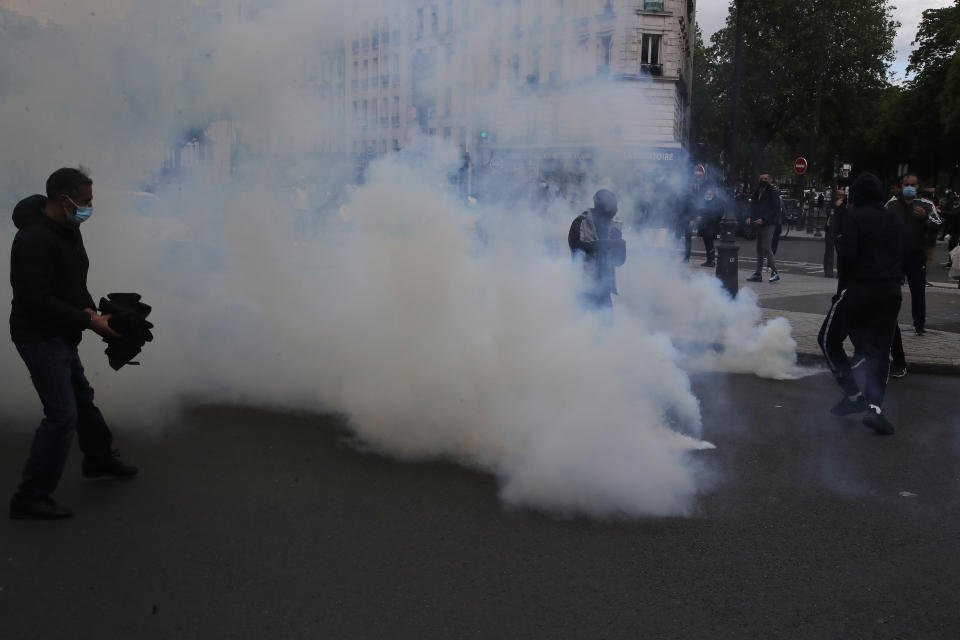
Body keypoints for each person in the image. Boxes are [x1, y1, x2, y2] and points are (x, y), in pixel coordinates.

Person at [9, 167, 138, 520]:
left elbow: (73, 279)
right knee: (62, 414)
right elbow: (36, 299)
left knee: (81, 398)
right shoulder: (34, 239)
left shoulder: (69, 228)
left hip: (62, 332)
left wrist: (94, 312)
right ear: (64, 200)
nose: (89, 208)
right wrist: (89, 321)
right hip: (39, 336)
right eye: (85, 202)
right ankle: (30, 495)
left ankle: (97, 459)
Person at [818, 172, 904, 435]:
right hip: (890, 292)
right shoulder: (894, 219)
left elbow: (847, 255)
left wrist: (841, 291)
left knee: (829, 339)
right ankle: (875, 408)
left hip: (858, 289)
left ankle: (853, 395)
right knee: (879, 351)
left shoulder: (852, 217)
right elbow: (904, 253)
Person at [885, 174, 937, 335]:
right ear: (901, 187)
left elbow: (938, 223)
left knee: (918, 291)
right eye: (906, 184)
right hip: (896, 256)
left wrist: (925, 218)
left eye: (912, 185)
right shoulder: (892, 204)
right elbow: (882, 223)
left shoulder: (926, 205)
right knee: (891, 290)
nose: (909, 187)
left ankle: (919, 324)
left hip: (916, 255)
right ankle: (888, 321)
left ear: (917, 187)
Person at [568, 189, 627, 310]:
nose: (615, 211)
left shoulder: (613, 227)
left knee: (606, 326)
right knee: (583, 324)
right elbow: (575, 247)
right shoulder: (581, 222)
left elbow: (619, 261)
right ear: (600, 207)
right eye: (612, 207)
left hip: (604, 289)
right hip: (584, 286)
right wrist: (603, 244)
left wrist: (620, 244)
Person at [745, 173, 780, 282]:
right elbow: (753, 205)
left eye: (766, 179)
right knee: (759, 248)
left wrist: (764, 219)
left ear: (769, 180)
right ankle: (758, 274)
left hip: (769, 223)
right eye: (762, 179)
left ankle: (775, 272)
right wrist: (750, 216)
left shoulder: (773, 191)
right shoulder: (758, 190)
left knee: (766, 246)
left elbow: (775, 209)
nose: (763, 180)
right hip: (759, 222)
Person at [694, 187, 724, 267]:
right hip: (704, 227)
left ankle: (712, 261)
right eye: (707, 194)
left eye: (709, 194)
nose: (707, 195)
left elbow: (716, 215)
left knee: (710, 245)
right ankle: (708, 260)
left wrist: (702, 217)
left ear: (713, 195)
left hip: (711, 227)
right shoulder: (704, 202)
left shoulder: (715, 203)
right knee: (707, 245)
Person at [823, 188, 846, 278]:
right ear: (836, 195)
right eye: (839, 195)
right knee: (829, 252)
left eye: (842, 195)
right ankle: (828, 272)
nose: (841, 197)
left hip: (840, 232)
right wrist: (836, 206)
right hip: (831, 231)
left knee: (841, 253)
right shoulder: (832, 204)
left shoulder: (844, 205)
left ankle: (840, 273)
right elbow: (829, 213)